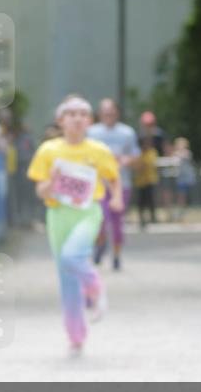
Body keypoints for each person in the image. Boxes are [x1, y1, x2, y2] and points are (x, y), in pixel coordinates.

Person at [27, 96, 122, 355]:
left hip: (88, 213)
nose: (77, 118)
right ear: (61, 120)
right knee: (66, 277)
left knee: (73, 256)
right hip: (58, 214)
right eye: (71, 114)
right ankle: (76, 333)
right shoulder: (48, 150)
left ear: (90, 120)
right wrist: (53, 181)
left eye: (83, 114)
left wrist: (116, 198)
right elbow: (40, 190)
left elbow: (113, 179)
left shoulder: (99, 150)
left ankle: (94, 285)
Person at [87, 98, 138, 271]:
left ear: (117, 112)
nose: (108, 115)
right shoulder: (91, 132)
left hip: (120, 184)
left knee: (117, 223)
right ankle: (100, 246)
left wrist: (125, 160)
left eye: (111, 111)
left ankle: (116, 256)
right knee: (100, 220)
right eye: (105, 112)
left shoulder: (127, 132)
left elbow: (135, 156)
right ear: (100, 114)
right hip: (98, 185)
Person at [133, 135, 159, 229]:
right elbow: (138, 167)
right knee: (141, 202)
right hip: (140, 181)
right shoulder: (138, 154)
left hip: (150, 180)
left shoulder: (152, 153)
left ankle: (153, 217)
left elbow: (149, 165)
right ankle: (142, 219)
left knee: (151, 200)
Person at [171, 137, 196, 221]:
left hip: (186, 179)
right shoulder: (176, 154)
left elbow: (185, 157)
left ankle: (182, 212)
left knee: (183, 196)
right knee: (181, 196)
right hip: (179, 178)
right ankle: (180, 212)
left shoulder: (187, 153)